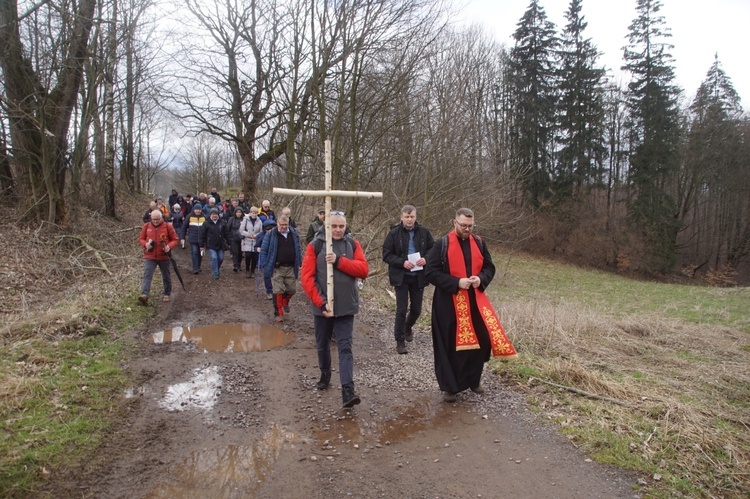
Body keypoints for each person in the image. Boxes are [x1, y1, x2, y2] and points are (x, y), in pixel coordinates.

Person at [424, 208, 517, 403]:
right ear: (454, 223)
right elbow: (431, 272)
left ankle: (474, 380)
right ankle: (450, 387)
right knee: (450, 344)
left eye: (470, 226)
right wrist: (456, 283)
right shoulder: (441, 244)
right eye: (463, 225)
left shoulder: (479, 243)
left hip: (475, 302)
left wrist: (480, 279)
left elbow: (489, 267)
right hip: (448, 303)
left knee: (481, 340)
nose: (467, 229)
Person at [300, 211, 369, 408]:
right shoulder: (315, 245)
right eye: (334, 226)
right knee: (322, 343)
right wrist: (321, 302)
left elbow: (363, 270)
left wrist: (339, 261)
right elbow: (307, 278)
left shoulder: (352, 244)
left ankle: (348, 390)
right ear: (326, 225)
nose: (338, 230)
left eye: (341, 226)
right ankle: (325, 373)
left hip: (346, 306)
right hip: (322, 307)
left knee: (345, 346)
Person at [382, 205, 435, 354]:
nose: (409, 219)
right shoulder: (394, 233)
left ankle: (407, 327)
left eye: (412, 217)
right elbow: (386, 254)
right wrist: (402, 262)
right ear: (401, 217)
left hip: (419, 276)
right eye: (407, 217)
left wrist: (426, 259)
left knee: (417, 310)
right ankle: (400, 340)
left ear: (415, 217)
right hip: (401, 276)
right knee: (401, 309)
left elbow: (433, 249)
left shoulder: (424, 232)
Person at [260, 214, 301, 322]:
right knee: (277, 290)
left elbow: (298, 248)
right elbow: (264, 250)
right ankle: (278, 313)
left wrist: (299, 261)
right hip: (277, 267)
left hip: (291, 267)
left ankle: (285, 302)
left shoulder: (294, 233)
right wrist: (264, 264)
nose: (284, 227)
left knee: (292, 289)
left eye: (286, 225)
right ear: (277, 223)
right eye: (282, 225)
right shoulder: (271, 234)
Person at [138, 210, 179, 305]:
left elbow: (175, 239)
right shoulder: (146, 226)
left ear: (161, 218)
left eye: (157, 219)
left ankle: (167, 293)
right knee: (147, 275)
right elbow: (141, 239)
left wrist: (169, 246)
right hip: (150, 256)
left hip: (164, 256)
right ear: (150, 218)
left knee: (166, 275)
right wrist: (145, 244)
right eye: (153, 219)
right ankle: (144, 294)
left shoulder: (168, 226)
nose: (155, 221)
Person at [201, 208, 230, 280]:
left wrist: (229, 242)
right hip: (211, 244)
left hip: (220, 244)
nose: (214, 216)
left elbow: (226, 233)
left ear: (218, 215)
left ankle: (216, 268)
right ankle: (215, 273)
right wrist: (201, 245)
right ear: (210, 215)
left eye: (216, 214)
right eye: (213, 214)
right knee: (214, 258)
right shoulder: (206, 223)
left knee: (221, 258)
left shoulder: (222, 222)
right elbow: (202, 235)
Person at [181, 204, 206, 274]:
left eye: (199, 209)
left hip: (202, 239)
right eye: (196, 209)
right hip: (193, 238)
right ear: (194, 209)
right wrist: (182, 237)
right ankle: (195, 268)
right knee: (194, 252)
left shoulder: (204, 217)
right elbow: (184, 227)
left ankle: (198, 266)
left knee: (200, 254)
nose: (198, 211)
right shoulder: (189, 217)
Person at [240, 206, 263, 278]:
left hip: (256, 241)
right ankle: (247, 269)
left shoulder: (259, 221)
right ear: (250, 213)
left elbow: (261, 231)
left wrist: (256, 235)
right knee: (248, 255)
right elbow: (241, 230)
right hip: (247, 240)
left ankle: (252, 271)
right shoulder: (245, 220)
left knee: (254, 257)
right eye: (253, 213)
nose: (254, 215)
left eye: (256, 213)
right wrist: (248, 235)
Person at [256, 219, 276, 298]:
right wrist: (257, 249)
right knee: (267, 275)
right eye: (268, 229)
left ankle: (277, 289)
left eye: (271, 228)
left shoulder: (277, 236)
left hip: (275, 257)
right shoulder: (260, 236)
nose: (269, 230)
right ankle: (269, 291)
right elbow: (256, 246)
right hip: (265, 257)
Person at [226, 206, 245, 272]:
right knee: (235, 252)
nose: (239, 214)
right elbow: (227, 229)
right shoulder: (231, 219)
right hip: (233, 238)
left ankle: (239, 264)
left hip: (242, 239)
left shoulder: (244, 219)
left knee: (240, 253)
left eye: (240, 212)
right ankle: (235, 265)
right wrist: (229, 238)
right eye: (237, 212)